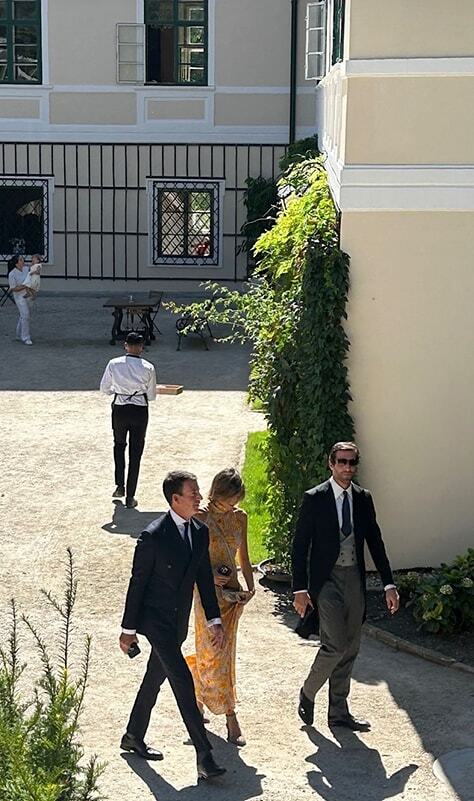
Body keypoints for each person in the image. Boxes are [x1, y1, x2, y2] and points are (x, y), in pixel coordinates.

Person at [119, 470, 227, 782]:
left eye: (198, 491)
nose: (199, 497)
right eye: (193, 493)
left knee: (155, 676)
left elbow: (204, 579)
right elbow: (137, 583)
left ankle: (133, 735)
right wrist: (128, 630)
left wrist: (214, 620)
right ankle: (204, 755)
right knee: (181, 678)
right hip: (155, 620)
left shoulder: (199, 532)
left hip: (177, 622)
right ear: (175, 499)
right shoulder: (153, 536)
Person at [292, 441, 399, 731]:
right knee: (335, 644)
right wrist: (300, 589)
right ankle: (308, 691)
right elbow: (300, 546)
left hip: (354, 578)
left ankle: (338, 713)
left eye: (352, 463)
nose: (347, 468)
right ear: (331, 463)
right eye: (341, 461)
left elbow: (375, 542)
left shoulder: (363, 498)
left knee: (351, 646)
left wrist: (389, 583)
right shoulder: (315, 498)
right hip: (326, 581)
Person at [186, 468, 255, 746]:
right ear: (218, 492)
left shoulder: (240, 518)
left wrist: (251, 586)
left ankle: (228, 714)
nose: (233, 505)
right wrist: (208, 575)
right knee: (210, 650)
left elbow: (245, 556)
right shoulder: (200, 517)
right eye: (229, 498)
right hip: (206, 594)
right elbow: (188, 559)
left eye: (236, 499)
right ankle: (205, 705)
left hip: (231, 596)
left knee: (225, 653)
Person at [99, 332, 156, 508]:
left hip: (120, 408)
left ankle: (119, 485)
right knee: (136, 452)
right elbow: (151, 396)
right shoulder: (148, 367)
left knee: (119, 445)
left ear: (125, 346)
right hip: (139, 410)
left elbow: (104, 389)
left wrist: (120, 389)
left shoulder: (114, 364)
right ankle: (131, 496)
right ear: (141, 347)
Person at [8, 254, 33, 345]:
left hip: (28, 295)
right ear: (17, 263)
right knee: (25, 315)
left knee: (25, 315)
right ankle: (25, 337)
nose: (23, 261)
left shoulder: (26, 269)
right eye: (21, 260)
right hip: (19, 297)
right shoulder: (12, 274)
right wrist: (24, 285)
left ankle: (18, 333)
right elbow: (13, 288)